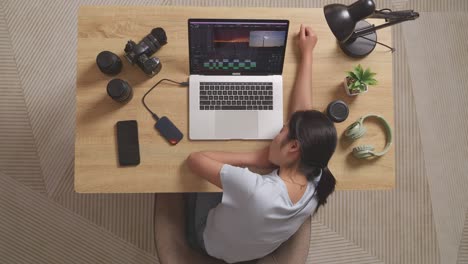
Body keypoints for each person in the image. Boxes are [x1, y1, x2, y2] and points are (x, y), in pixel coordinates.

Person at [185, 25, 337, 263]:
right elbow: (303, 115)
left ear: (294, 147)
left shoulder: (254, 188)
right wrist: (307, 54)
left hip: (209, 241)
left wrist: (257, 158)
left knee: (183, 178)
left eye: (281, 130)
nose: (277, 131)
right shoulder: (317, 175)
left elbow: (195, 160)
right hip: (255, 247)